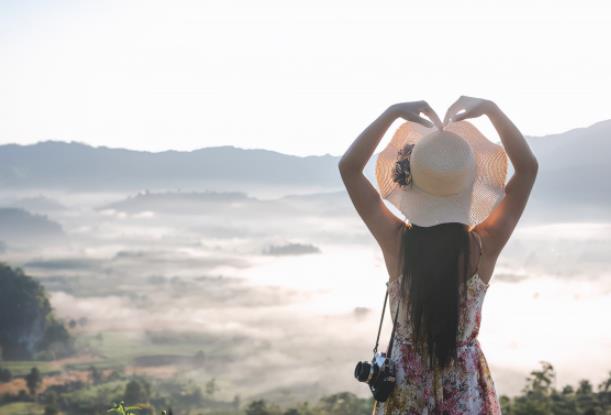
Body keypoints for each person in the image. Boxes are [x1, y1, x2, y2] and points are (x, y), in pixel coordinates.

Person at [338, 96, 539, 414]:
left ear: (411, 182)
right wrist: (491, 109)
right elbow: (528, 169)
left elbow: (348, 169)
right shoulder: (484, 245)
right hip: (464, 397)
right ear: (469, 185)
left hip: (407, 396)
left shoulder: (397, 243)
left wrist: (391, 114)